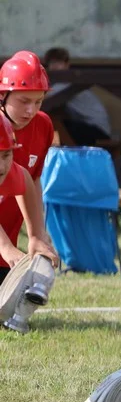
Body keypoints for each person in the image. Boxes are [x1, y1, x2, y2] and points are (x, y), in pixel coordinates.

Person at [0, 51, 60, 280]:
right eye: (24, 101)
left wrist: (37, 235)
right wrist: (4, 246)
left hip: (7, 245)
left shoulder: (43, 125)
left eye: (38, 101)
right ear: (2, 95)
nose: (31, 111)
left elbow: (30, 179)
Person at [43, 47, 114, 146]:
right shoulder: (63, 83)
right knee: (54, 122)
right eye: (51, 63)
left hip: (98, 130)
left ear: (67, 65)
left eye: (58, 63)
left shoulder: (66, 83)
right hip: (95, 128)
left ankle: (70, 156)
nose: (54, 66)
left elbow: (43, 99)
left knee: (54, 124)